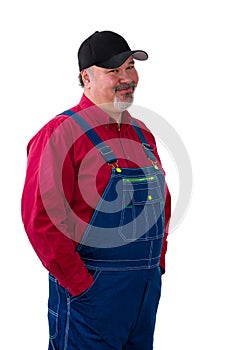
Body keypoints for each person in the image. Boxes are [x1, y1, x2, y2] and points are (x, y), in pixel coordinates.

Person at [21, 30, 171, 350]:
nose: (126, 77)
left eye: (130, 66)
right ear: (86, 78)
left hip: (143, 293)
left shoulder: (142, 134)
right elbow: (41, 219)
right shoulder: (61, 134)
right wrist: (80, 285)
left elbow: (161, 203)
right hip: (93, 295)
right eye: (113, 71)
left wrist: (156, 265)